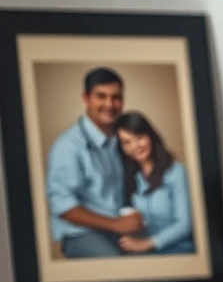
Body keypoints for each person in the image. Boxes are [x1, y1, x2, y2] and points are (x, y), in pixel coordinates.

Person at [45, 67, 144, 257]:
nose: (110, 104)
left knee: (166, 251)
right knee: (120, 268)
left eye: (116, 97)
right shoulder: (68, 146)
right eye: (101, 96)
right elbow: (62, 206)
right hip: (80, 233)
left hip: (115, 227)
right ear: (85, 98)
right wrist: (116, 224)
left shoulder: (123, 139)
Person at [114, 112, 195, 254]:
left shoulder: (176, 172)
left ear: (150, 136)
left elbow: (185, 224)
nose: (135, 146)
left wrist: (147, 243)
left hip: (179, 250)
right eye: (127, 142)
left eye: (139, 137)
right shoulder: (131, 178)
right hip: (148, 255)